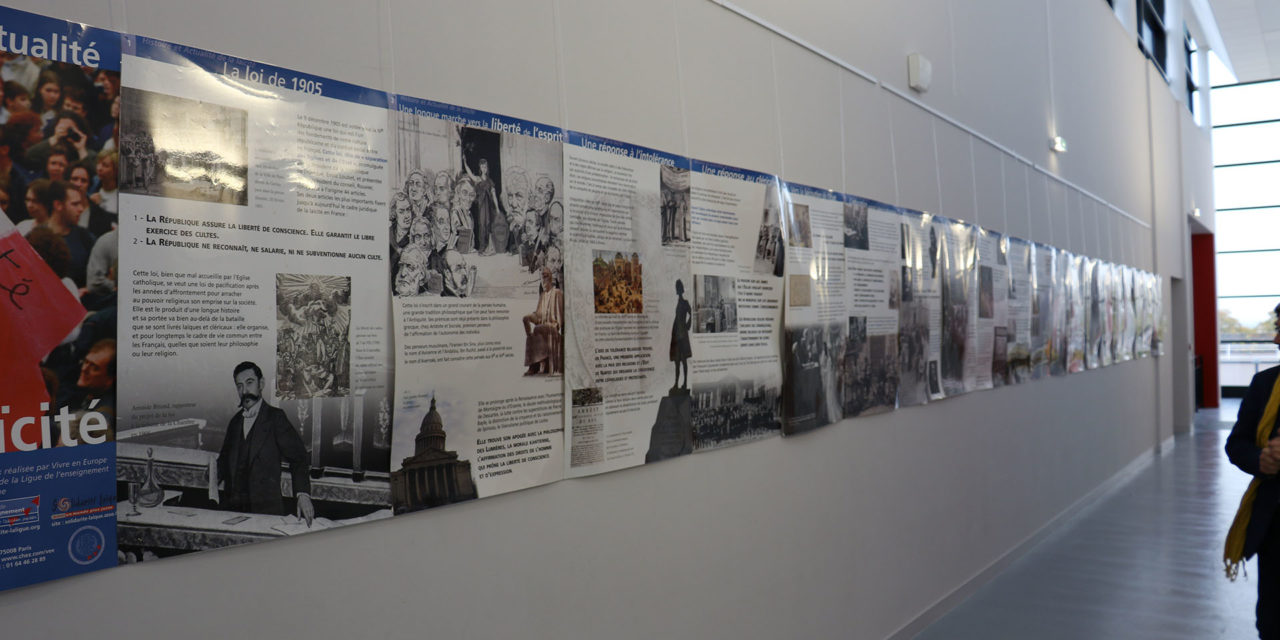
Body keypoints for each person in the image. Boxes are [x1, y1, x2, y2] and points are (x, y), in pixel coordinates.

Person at [1226, 303, 1280, 639]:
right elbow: (1237, 443)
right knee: (1272, 622)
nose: (1276, 339)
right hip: (1274, 527)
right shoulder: (1265, 384)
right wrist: (1260, 459)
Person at [217, 361, 314, 524]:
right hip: (233, 512)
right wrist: (214, 472)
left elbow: (299, 458)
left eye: (249, 383)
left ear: (261, 384)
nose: (244, 391)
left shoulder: (276, 418)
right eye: (239, 386)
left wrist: (303, 495)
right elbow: (224, 461)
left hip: (266, 512)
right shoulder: (235, 422)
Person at [670, 279, 692, 391]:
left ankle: (685, 383)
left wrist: (688, 325)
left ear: (681, 289)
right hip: (677, 335)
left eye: (678, 287)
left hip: (682, 334)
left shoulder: (685, 302)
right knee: (677, 361)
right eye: (676, 287)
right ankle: (676, 383)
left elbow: (692, 313)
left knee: (683, 360)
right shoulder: (678, 303)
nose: (677, 289)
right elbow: (677, 318)